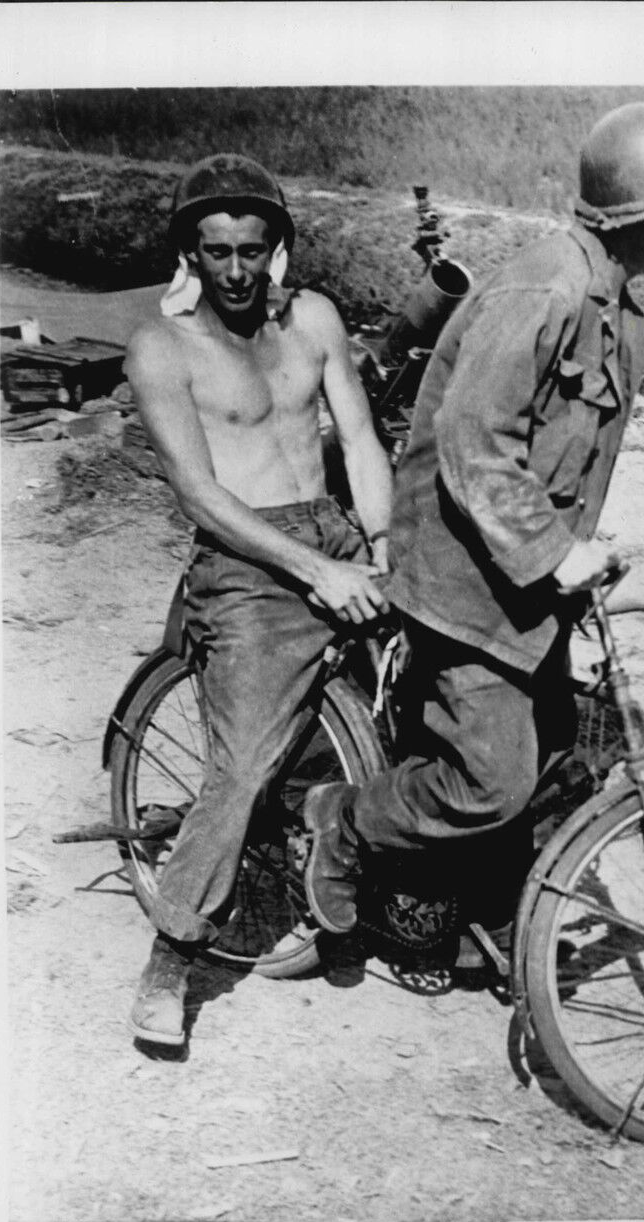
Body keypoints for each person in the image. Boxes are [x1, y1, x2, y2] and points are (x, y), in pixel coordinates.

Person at [301, 102, 644, 944]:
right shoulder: (546, 290)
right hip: (464, 582)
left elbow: (561, 455)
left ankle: (489, 913)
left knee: (548, 752)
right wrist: (553, 553)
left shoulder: (615, 308)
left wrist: (573, 558)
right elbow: (475, 440)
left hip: (523, 584)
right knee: (488, 785)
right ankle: (347, 820)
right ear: (635, 214)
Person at [126, 153, 393, 1044]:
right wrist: (316, 573)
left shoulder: (313, 318)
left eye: (252, 249)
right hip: (246, 565)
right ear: (189, 256)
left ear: (276, 247)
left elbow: (358, 439)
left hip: (336, 535)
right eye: (216, 253)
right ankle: (171, 960)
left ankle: (433, 900)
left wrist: (382, 546)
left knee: (450, 682)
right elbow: (201, 496)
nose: (236, 271)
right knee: (240, 770)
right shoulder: (162, 347)